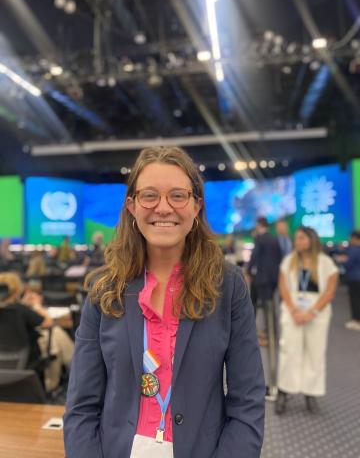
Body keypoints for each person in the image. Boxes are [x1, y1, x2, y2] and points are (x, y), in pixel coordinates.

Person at [64, 146, 265, 458]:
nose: (163, 207)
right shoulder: (105, 289)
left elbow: (248, 405)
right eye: (149, 196)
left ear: (196, 205)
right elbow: (81, 407)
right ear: (131, 205)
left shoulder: (228, 285)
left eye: (178, 195)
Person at [276, 226, 338, 414]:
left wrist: (311, 312)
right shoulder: (289, 261)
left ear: (311, 239)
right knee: (289, 352)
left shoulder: (326, 263)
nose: (298, 242)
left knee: (315, 353)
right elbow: (283, 287)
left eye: (302, 238)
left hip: (317, 314)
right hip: (292, 312)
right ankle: (284, 392)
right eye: (297, 238)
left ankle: (311, 393)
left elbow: (329, 291)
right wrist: (295, 310)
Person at [336, 230, 360, 331]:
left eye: (351, 238)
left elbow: (348, 263)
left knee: (355, 300)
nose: (350, 240)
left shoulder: (355, 249)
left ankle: (356, 321)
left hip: (354, 278)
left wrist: (341, 261)